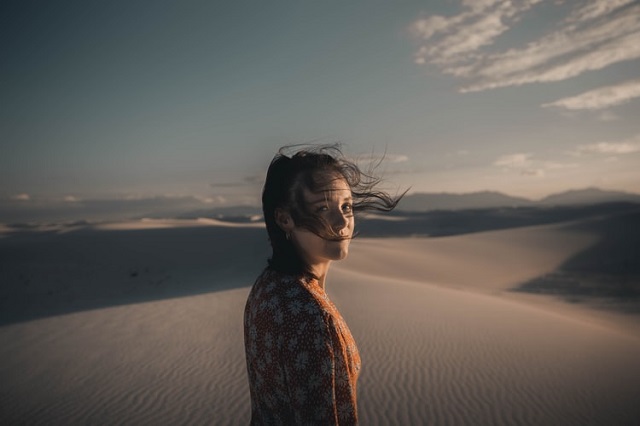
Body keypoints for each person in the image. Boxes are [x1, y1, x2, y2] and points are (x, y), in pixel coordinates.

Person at [244, 144, 404, 425]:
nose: (342, 222)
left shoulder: (267, 287)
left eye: (346, 206)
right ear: (284, 219)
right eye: (322, 208)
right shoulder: (310, 315)